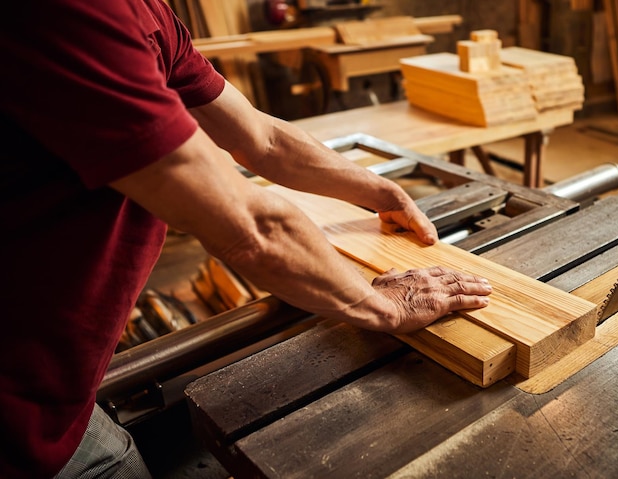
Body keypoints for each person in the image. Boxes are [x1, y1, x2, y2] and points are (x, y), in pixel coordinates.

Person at [0, 1, 492, 477]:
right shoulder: (68, 13)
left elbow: (261, 137)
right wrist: (384, 306)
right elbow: (247, 227)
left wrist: (377, 190)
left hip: (63, 390)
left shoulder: (143, 10)